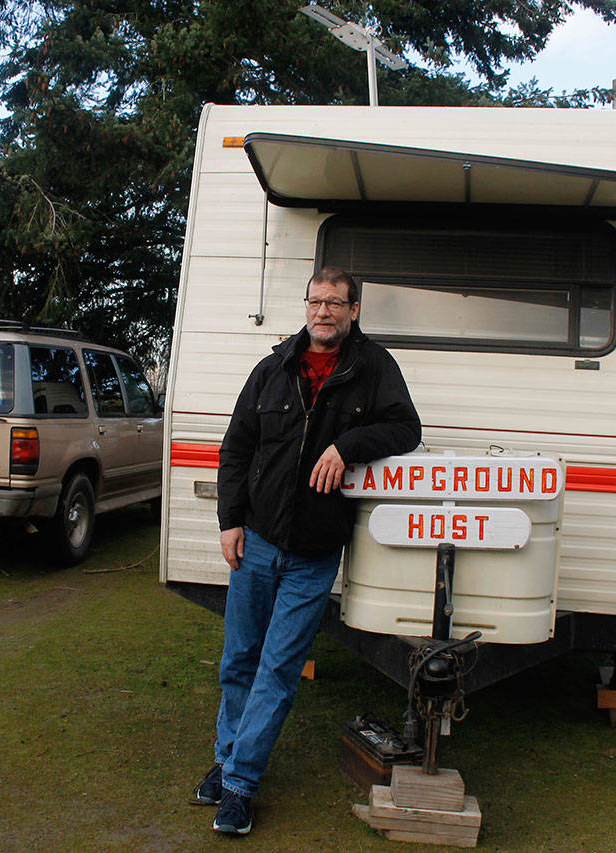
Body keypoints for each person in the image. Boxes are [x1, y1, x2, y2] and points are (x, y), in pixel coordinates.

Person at [193, 265, 421, 835]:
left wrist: (348, 444)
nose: (323, 312)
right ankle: (226, 760)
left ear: (353, 311)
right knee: (239, 660)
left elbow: (406, 429)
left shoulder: (373, 369)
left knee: (278, 668)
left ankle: (240, 785)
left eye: (335, 304)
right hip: (257, 542)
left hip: (314, 554)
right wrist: (229, 522)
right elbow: (236, 449)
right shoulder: (273, 369)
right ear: (307, 306)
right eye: (315, 302)